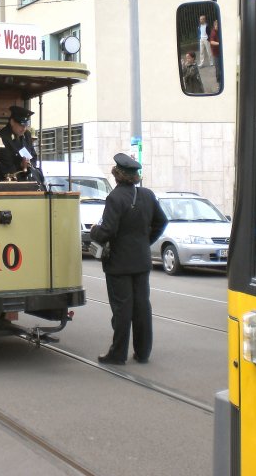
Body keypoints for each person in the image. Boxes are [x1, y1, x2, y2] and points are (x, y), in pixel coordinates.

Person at [90, 153, 168, 365]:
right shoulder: (147, 195)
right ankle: (143, 352)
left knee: (122, 309)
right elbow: (162, 221)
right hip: (141, 261)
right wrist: (145, 241)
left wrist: (94, 231)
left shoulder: (115, 198)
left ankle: (118, 353)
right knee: (142, 307)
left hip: (119, 263)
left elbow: (107, 231)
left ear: (117, 175)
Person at [0, 105, 40, 181]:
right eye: (21, 125)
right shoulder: (2, 137)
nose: (24, 128)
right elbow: (5, 166)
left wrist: (29, 164)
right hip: (5, 182)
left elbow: (33, 156)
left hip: (26, 179)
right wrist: (21, 165)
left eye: (26, 125)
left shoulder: (27, 135)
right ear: (12, 122)